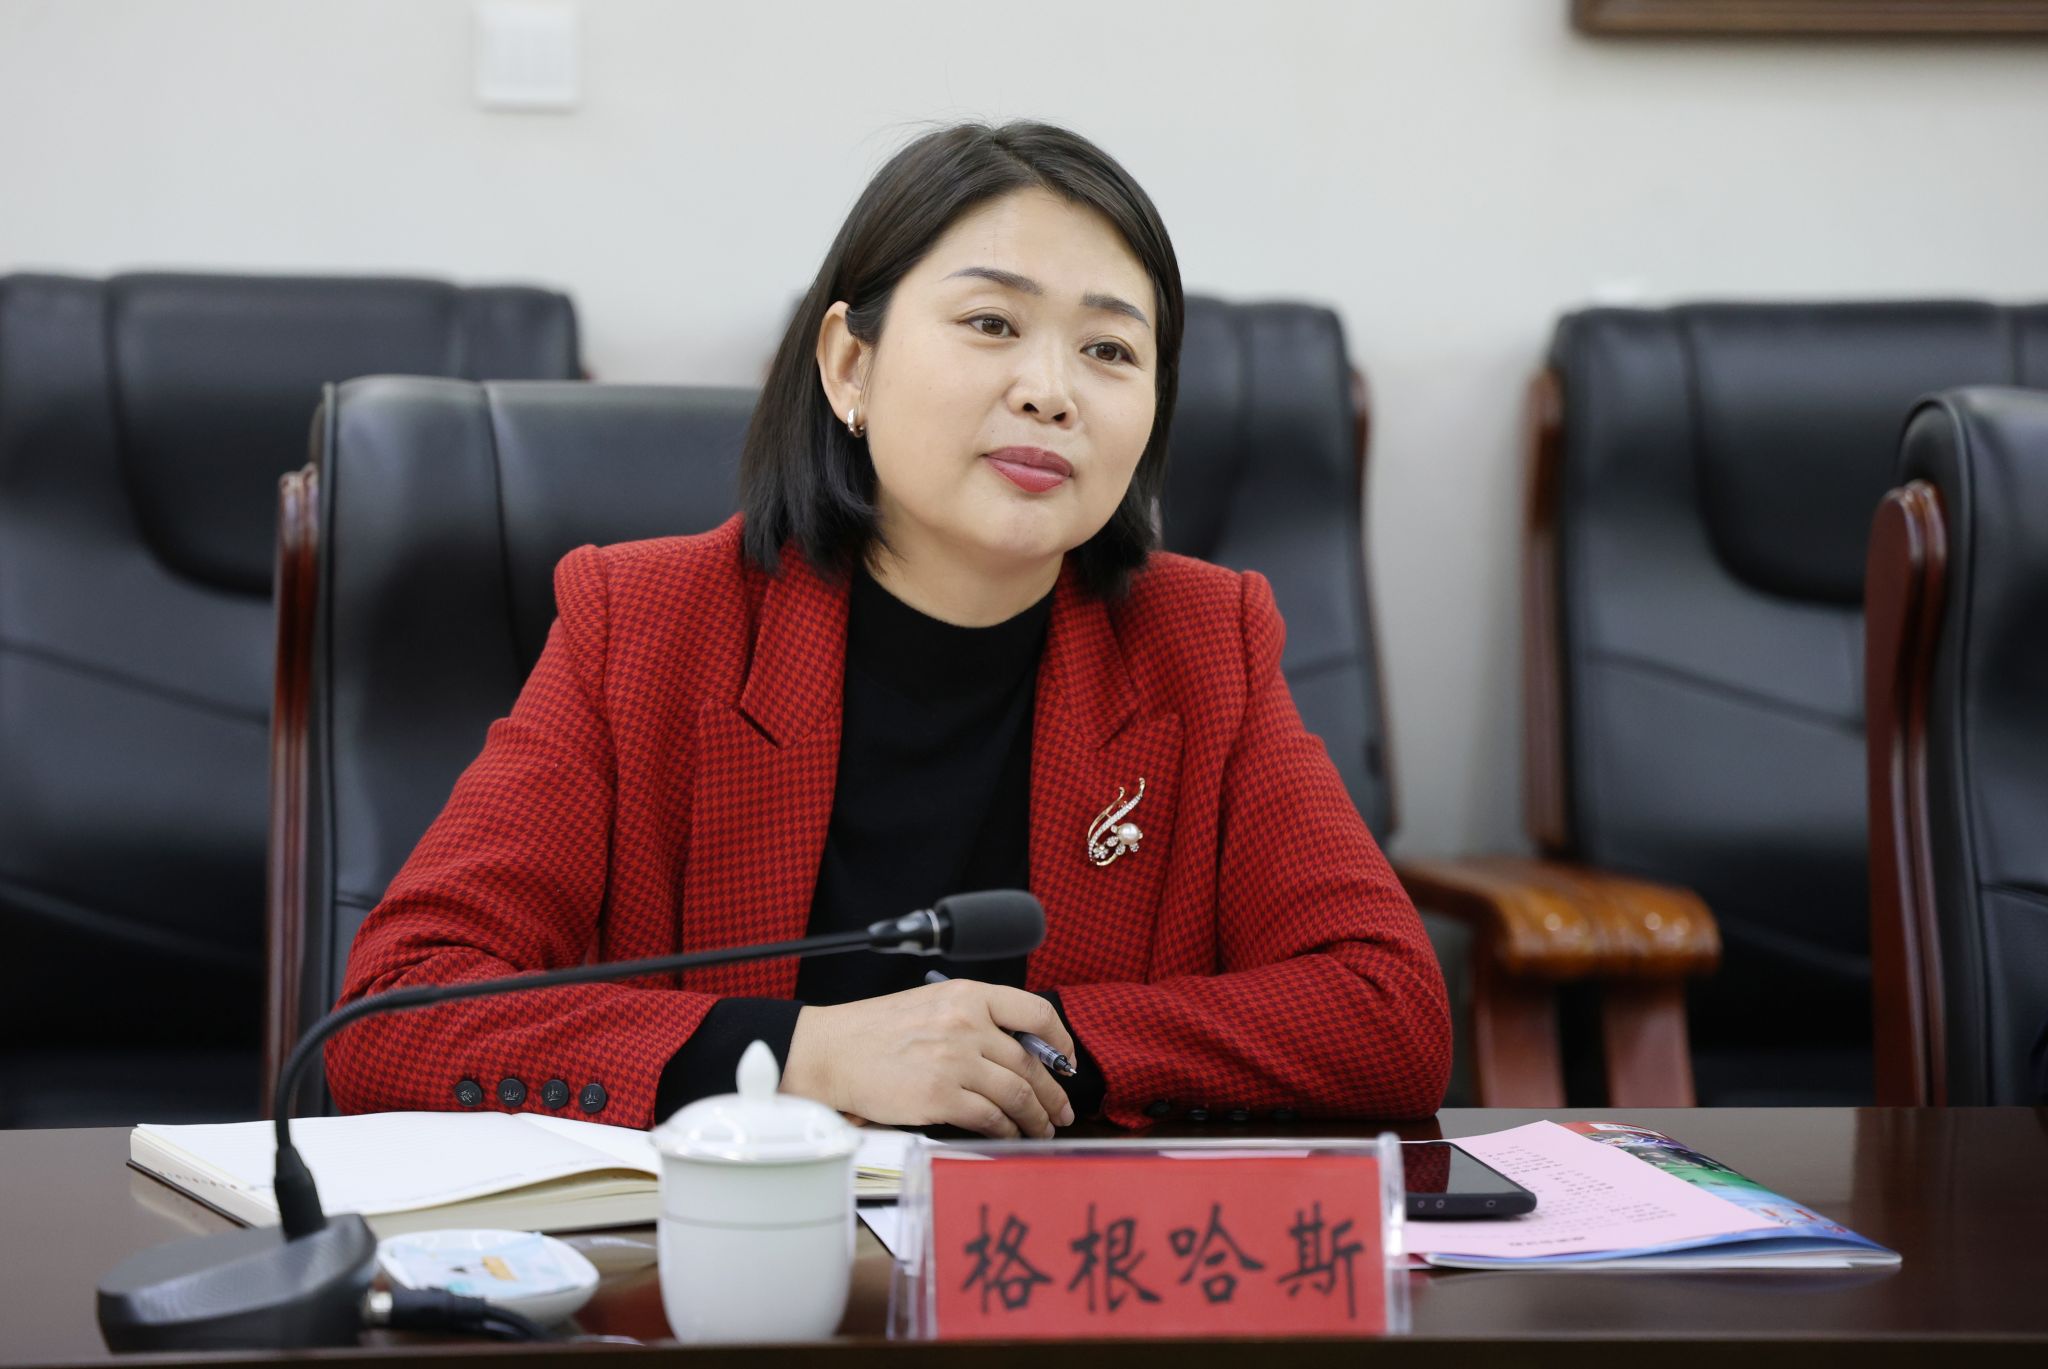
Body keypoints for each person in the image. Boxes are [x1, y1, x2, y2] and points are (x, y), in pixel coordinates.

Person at [326, 121, 1451, 1136]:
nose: (1051, 390)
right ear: (849, 365)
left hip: (1054, 1267)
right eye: (991, 323)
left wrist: (1047, 1048)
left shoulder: (1203, 642)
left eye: (1110, 350)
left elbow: (1389, 1012)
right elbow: (395, 1009)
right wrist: (800, 1055)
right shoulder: (647, 626)